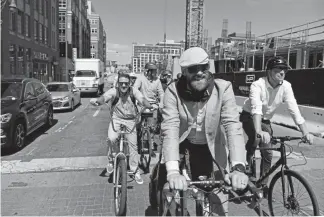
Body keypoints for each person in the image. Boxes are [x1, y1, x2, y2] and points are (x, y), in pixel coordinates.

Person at [161, 47, 248, 215]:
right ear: (184, 72)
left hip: (212, 148)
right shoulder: (172, 91)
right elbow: (170, 128)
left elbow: (232, 125)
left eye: (204, 67)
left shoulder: (223, 88)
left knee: (219, 203)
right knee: (169, 195)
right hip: (182, 145)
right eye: (193, 69)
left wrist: (238, 167)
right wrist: (172, 171)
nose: (200, 72)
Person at [240, 56, 314, 195]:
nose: (282, 73)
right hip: (250, 116)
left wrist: (305, 132)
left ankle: (262, 185)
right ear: (269, 71)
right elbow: (256, 109)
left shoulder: (286, 86)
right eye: (278, 69)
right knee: (256, 139)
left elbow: (294, 109)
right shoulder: (257, 85)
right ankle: (247, 164)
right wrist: (258, 131)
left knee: (267, 152)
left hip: (266, 119)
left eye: (284, 70)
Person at [90, 73, 152, 184]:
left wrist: (147, 104)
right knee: (112, 139)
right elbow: (105, 97)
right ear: (118, 83)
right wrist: (98, 101)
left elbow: (141, 98)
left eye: (126, 83)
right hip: (117, 119)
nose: (123, 85)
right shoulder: (114, 91)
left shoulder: (133, 92)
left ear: (130, 84)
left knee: (133, 146)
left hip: (131, 120)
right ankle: (111, 160)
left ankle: (135, 170)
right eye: (121, 83)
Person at [133, 62, 164, 156]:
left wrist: (162, 102)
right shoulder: (140, 78)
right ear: (148, 72)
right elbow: (135, 89)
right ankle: (137, 144)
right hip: (141, 105)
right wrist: (139, 98)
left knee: (152, 128)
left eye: (155, 71)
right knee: (137, 126)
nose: (155, 73)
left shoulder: (157, 81)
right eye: (153, 71)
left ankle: (150, 148)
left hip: (153, 106)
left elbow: (161, 93)